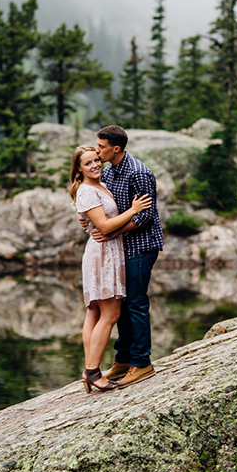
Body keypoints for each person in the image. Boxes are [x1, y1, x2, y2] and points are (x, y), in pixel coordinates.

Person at [83, 125, 164, 388]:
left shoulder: (139, 172)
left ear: (115, 148)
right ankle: (123, 358)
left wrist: (110, 233)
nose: (97, 150)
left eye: (101, 147)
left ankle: (142, 364)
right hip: (119, 249)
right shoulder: (109, 171)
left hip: (141, 246)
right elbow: (106, 208)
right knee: (122, 303)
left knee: (136, 303)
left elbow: (144, 216)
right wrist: (91, 222)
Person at [69, 146, 151, 392]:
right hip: (102, 254)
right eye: (88, 163)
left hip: (106, 252)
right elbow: (103, 227)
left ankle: (90, 369)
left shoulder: (99, 183)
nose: (95, 165)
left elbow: (93, 220)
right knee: (110, 315)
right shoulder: (86, 191)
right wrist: (133, 210)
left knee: (94, 312)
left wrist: (86, 220)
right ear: (78, 169)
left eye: (96, 160)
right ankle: (92, 371)